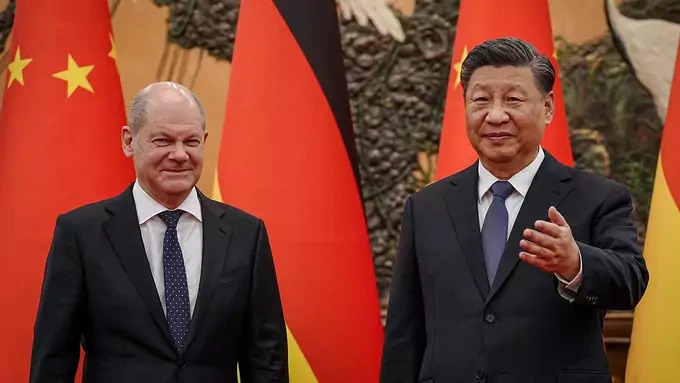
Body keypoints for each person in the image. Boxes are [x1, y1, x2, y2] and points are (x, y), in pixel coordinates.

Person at [380, 38, 648, 383]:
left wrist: (575, 263)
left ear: (547, 107)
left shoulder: (597, 197)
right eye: (480, 100)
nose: (495, 115)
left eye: (513, 100)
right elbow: (406, 330)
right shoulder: (427, 207)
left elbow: (631, 283)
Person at [30, 82, 288, 383]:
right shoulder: (81, 233)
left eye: (191, 141)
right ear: (129, 141)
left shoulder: (247, 233)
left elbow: (266, 356)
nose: (179, 155)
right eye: (163, 140)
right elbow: (54, 355)